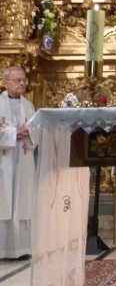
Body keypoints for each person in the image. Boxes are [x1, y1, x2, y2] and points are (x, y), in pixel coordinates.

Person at [0, 67, 36, 260]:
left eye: (24, 80)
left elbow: (36, 130)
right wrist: (14, 133)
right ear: (5, 83)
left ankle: (21, 249)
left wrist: (29, 133)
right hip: (3, 160)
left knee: (21, 201)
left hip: (23, 159)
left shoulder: (29, 106)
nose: (22, 83)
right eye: (17, 80)